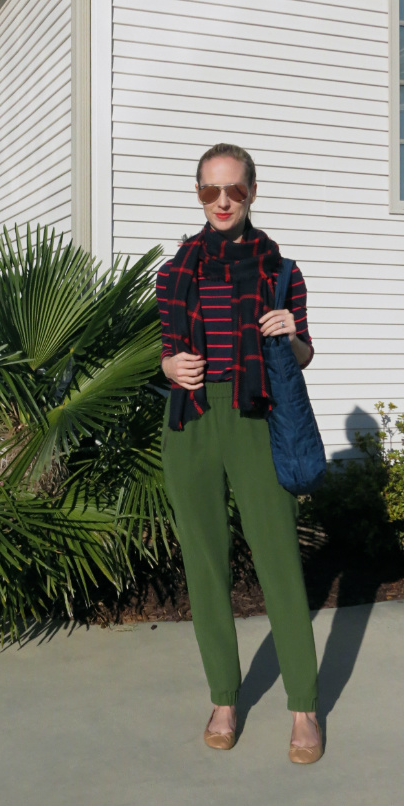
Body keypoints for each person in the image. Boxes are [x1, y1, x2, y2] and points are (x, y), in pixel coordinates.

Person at [157, 142, 323, 764]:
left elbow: (305, 354)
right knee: (205, 564)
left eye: (233, 190)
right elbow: (166, 351)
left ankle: (304, 707)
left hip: (256, 418)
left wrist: (289, 333)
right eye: (209, 191)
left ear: (252, 191)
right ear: (198, 194)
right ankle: (225, 696)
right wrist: (169, 363)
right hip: (191, 421)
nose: (221, 202)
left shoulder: (281, 270)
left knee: (278, 558)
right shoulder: (175, 272)